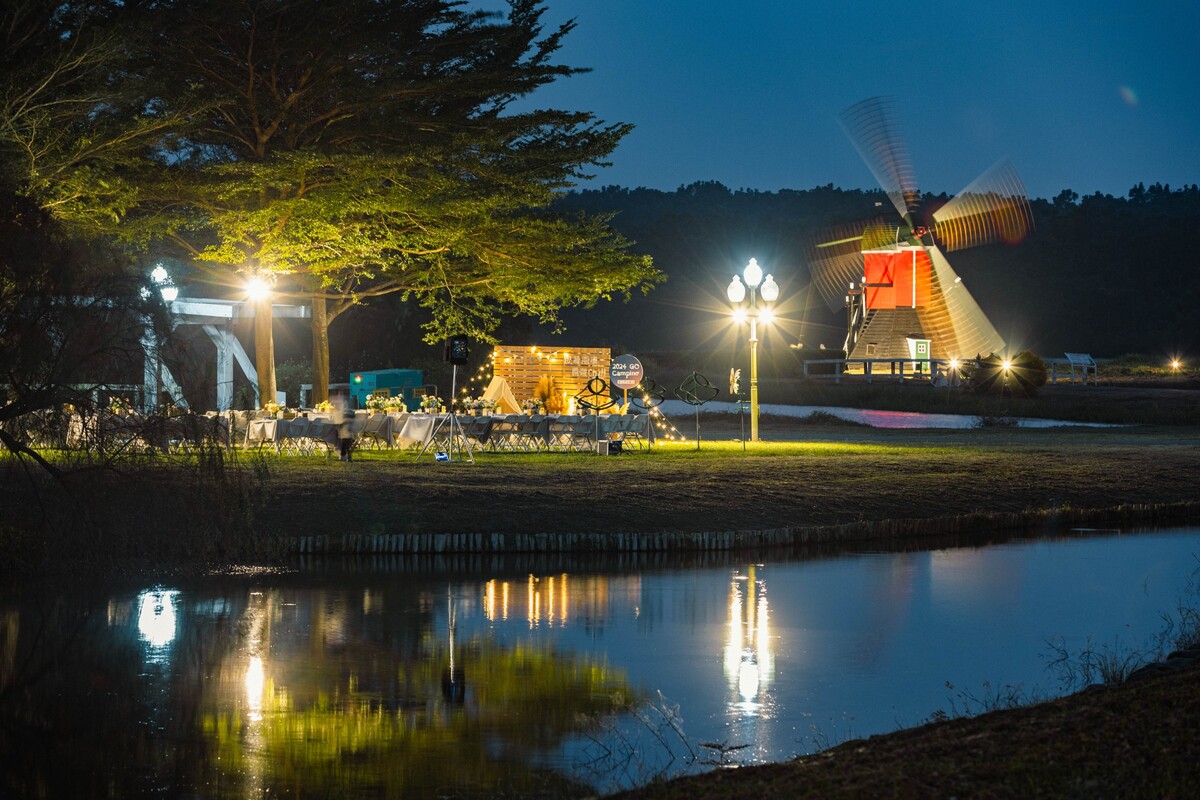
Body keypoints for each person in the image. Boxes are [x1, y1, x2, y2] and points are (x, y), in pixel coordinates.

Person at [335, 396, 355, 461]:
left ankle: (343, 454)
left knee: (343, 434)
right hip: (351, 432)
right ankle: (346, 452)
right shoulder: (351, 413)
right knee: (345, 434)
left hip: (344, 432)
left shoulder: (343, 413)